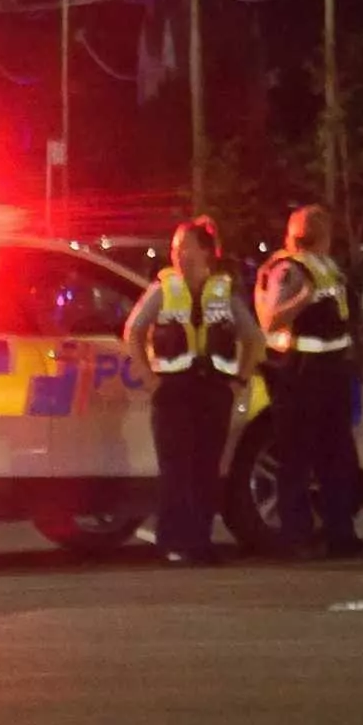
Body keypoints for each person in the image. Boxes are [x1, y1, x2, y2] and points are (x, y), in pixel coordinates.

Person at [124, 216, 263, 566]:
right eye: (175, 248)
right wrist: (148, 376)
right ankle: (172, 542)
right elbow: (134, 331)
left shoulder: (224, 292)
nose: (178, 254)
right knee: (175, 469)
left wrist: (240, 380)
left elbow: (253, 338)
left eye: (185, 247)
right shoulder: (163, 289)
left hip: (212, 390)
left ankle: (199, 542)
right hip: (173, 390)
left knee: (205, 468)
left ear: (205, 251)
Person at [253, 203, 363, 562]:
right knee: (296, 458)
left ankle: (341, 535)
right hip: (302, 374)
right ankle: (296, 538)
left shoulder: (328, 268)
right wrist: (301, 301)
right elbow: (269, 319)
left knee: (338, 459)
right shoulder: (289, 271)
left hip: (333, 373)